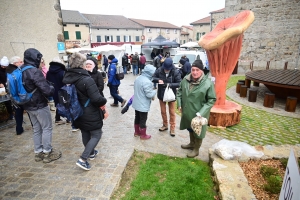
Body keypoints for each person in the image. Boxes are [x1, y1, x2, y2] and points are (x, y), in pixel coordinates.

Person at [62, 52, 107, 170]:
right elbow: (97, 99)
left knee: (85, 132)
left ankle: (91, 152)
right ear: (82, 64)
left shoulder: (67, 78)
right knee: (97, 134)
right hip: (89, 111)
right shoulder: (86, 79)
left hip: (76, 110)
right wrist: (104, 100)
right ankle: (83, 159)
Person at [22, 48, 61, 163]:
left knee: (36, 129)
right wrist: (52, 87)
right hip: (39, 105)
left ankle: (38, 152)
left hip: (27, 105)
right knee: (46, 128)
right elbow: (47, 91)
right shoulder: (34, 71)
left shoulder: (21, 69)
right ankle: (47, 153)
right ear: (36, 58)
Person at [176, 60, 216, 158]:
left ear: (201, 71)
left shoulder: (207, 83)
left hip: (199, 113)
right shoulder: (185, 79)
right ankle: (191, 143)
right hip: (187, 111)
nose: (194, 72)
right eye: (193, 69)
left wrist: (202, 112)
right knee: (190, 128)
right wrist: (179, 104)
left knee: (198, 131)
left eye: (197, 70)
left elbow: (211, 99)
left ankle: (196, 149)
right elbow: (179, 92)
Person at [152, 57, 181, 136]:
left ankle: (172, 128)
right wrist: (158, 80)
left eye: (168, 69)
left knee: (172, 112)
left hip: (171, 94)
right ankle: (165, 125)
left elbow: (179, 83)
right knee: (163, 111)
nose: (166, 70)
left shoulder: (175, 71)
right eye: (165, 68)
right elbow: (153, 77)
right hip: (162, 94)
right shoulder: (159, 69)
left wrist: (169, 85)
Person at [132, 65, 157, 140]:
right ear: (150, 73)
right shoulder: (147, 82)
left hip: (136, 103)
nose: (154, 74)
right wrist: (154, 91)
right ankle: (143, 135)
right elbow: (149, 94)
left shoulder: (138, 78)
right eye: (153, 72)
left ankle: (136, 132)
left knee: (137, 117)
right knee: (143, 119)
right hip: (143, 104)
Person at [6, 56, 25, 134]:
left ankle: (19, 129)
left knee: (18, 112)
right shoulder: (17, 72)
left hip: (13, 96)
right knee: (29, 111)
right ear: (15, 63)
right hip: (20, 95)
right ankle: (35, 127)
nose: (22, 63)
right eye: (20, 62)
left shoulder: (7, 71)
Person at [46, 57, 67, 125]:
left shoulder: (48, 72)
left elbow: (47, 82)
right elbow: (65, 82)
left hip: (53, 91)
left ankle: (58, 118)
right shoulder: (62, 72)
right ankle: (66, 118)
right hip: (62, 91)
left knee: (58, 104)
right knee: (65, 104)